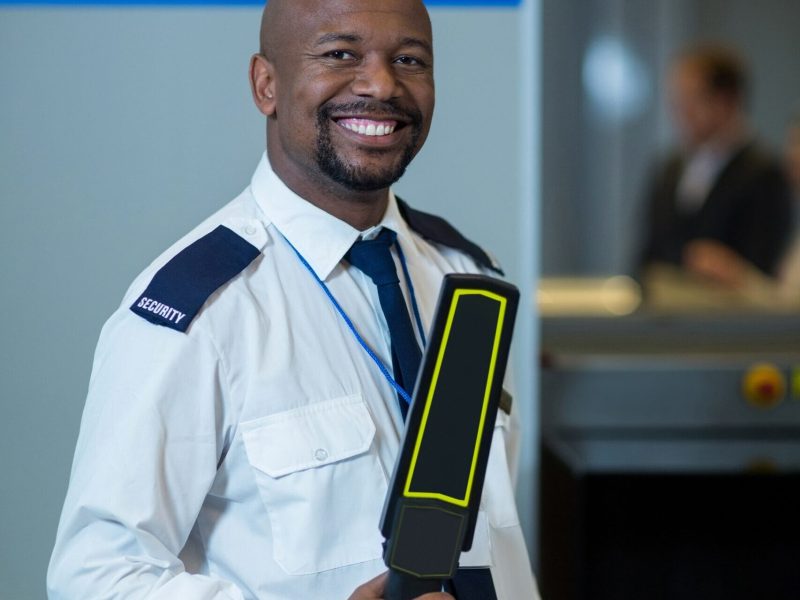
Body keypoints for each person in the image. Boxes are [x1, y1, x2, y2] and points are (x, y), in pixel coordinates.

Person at [46, 1, 540, 599]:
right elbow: (96, 578)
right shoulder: (201, 312)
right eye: (341, 54)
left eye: (409, 60)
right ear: (266, 84)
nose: (382, 84)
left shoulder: (466, 279)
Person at [640, 43, 793, 283]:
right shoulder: (670, 168)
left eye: (691, 100)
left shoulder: (764, 173)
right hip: (666, 314)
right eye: (677, 101)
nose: (680, 113)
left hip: (730, 317)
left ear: (725, 101)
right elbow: (646, 255)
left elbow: (764, 268)